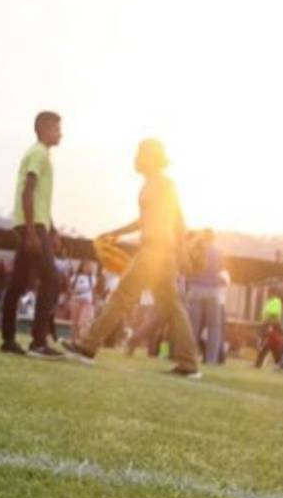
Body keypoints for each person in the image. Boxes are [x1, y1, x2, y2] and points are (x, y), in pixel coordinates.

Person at [63, 139, 201, 378]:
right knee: (172, 306)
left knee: (122, 297)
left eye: (140, 154)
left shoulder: (162, 184)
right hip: (157, 252)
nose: (135, 158)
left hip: (155, 253)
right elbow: (145, 220)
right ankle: (189, 363)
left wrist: (182, 254)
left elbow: (177, 220)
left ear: (151, 157)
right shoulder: (151, 184)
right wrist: (118, 232)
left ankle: (88, 345)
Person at [0, 111, 64, 359]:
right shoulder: (38, 153)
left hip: (35, 224)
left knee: (18, 283)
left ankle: (8, 339)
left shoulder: (41, 153)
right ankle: (38, 341)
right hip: (32, 226)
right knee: (51, 279)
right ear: (44, 129)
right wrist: (31, 232)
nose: (61, 134)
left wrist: (52, 229)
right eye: (57, 128)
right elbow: (28, 192)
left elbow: (40, 199)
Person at [185, 229, 224, 364]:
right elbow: (221, 271)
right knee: (214, 326)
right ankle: (211, 359)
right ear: (214, 238)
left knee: (193, 326)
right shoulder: (219, 252)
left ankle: (189, 355)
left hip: (195, 289)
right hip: (213, 290)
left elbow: (187, 269)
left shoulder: (194, 250)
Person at [254, 289, 283, 368]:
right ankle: (278, 363)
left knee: (268, 345)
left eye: (270, 293)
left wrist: (269, 326)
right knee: (269, 346)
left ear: (274, 293)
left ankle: (260, 363)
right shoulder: (270, 301)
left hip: (271, 326)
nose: (268, 294)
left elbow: (274, 315)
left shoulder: (275, 301)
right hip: (268, 325)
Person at [67, 260, 97, 342]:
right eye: (86, 266)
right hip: (75, 300)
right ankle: (73, 339)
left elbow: (92, 289)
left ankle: (81, 339)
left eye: (89, 267)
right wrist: (73, 292)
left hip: (87, 301)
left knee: (83, 321)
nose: (87, 268)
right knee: (75, 321)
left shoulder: (92, 278)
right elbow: (70, 288)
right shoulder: (75, 277)